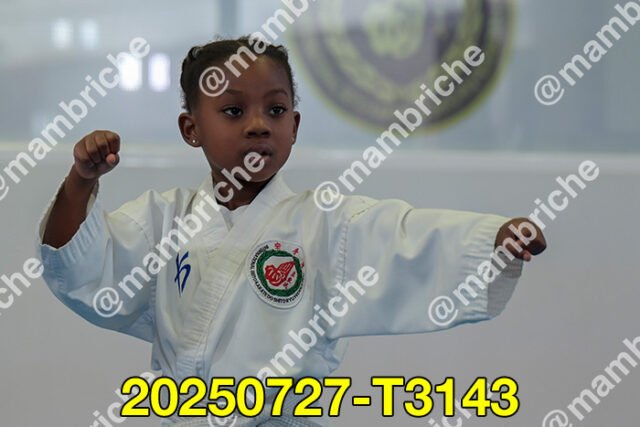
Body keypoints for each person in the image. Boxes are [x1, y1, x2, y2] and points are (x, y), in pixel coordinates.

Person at [37, 36, 546, 426]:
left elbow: (404, 237)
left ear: (295, 126)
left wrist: (493, 240)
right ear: (191, 129)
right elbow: (80, 264)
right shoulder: (162, 221)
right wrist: (81, 181)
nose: (258, 124)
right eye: (233, 111)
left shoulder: (325, 223)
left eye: (275, 110)